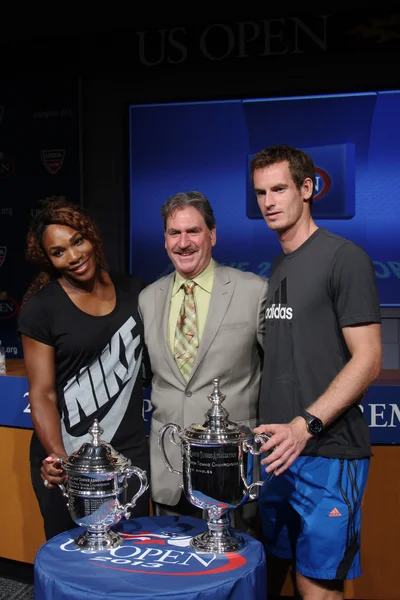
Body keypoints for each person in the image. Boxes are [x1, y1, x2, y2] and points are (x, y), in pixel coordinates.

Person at [250, 145, 382, 600]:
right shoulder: (280, 265)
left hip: (328, 452)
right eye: (261, 192)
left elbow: (368, 360)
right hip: (277, 454)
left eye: (280, 188)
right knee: (277, 575)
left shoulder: (344, 258)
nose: (269, 201)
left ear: (307, 188)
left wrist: (305, 424)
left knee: (319, 588)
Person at [18, 197, 150, 541]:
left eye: (78, 241)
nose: (74, 256)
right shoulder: (42, 308)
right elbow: (42, 393)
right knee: (76, 564)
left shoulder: (134, 290)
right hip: (71, 459)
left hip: (128, 455)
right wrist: (59, 458)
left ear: (91, 237)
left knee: (132, 561)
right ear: (48, 259)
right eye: (59, 251)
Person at [138, 191, 267, 531]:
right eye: (174, 233)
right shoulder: (148, 298)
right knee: (172, 576)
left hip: (231, 471)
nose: (183, 243)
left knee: (233, 574)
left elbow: (281, 374)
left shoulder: (254, 291)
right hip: (169, 472)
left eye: (193, 231)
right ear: (165, 240)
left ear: (212, 234)